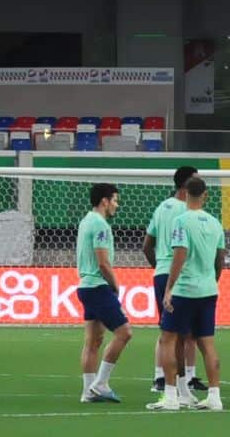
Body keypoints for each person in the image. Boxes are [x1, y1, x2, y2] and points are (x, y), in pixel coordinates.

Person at [149, 176, 226, 412]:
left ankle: (171, 396)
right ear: (205, 195)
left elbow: (180, 255)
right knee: (207, 343)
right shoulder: (215, 223)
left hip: (184, 290)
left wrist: (169, 288)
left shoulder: (181, 221)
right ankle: (214, 396)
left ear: (185, 194)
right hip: (208, 289)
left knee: (169, 339)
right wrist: (212, 280)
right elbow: (220, 259)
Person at [142, 165, 203, 397]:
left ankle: (162, 376)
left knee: (167, 329)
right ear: (186, 184)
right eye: (196, 180)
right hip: (181, 274)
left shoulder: (161, 207)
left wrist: (159, 266)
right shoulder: (187, 211)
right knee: (185, 332)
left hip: (162, 272)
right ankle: (181, 379)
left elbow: (146, 245)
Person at [75, 183, 130, 404]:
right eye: (115, 200)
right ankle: (100, 383)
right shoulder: (100, 225)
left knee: (93, 341)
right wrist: (115, 285)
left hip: (85, 286)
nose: (117, 205)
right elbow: (103, 262)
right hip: (98, 286)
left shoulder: (86, 221)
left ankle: (88, 391)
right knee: (124, 333)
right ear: (104, 201)